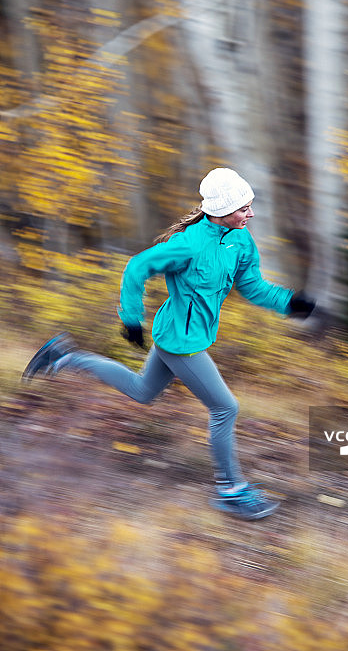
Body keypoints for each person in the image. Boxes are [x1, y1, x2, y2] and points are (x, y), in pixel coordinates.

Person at [22, 168, 316, 520]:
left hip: (185, 335)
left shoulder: (241, 241)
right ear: (221, 210)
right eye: (243, 209)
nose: (250, 214)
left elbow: (251, 286)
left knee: (142, 390)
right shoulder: (188, 244)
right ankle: (231, 490)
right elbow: (137, 267)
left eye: (250, 207)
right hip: (181, 342)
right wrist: (131, 318)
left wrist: (290, 303)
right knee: (225, 408)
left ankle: (64, 355)